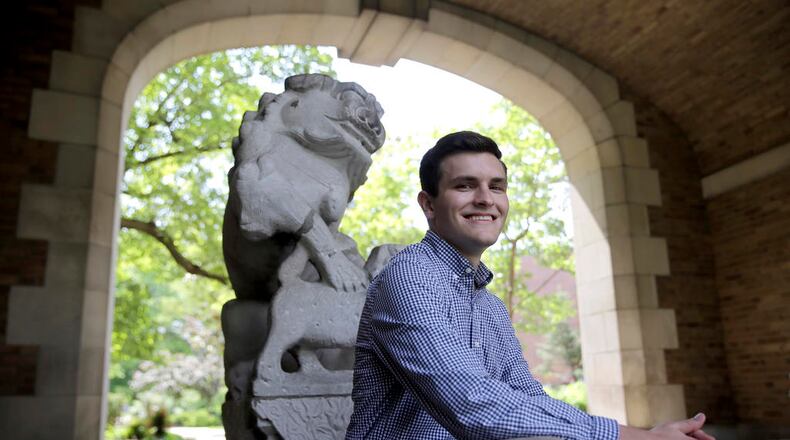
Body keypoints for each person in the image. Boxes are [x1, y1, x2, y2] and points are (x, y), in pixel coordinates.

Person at [346, 131, 715, 440]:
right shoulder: (409, 277)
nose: (485, 199)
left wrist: (645, 434)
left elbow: (526, 397)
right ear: (428, 204)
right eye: (464, 186)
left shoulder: (489, 306)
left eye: (497, 186)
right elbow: (472, 403)